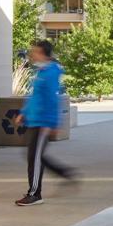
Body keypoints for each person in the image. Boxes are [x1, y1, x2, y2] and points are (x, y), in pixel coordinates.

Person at [12, 39, 75, 207]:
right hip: (34, 120)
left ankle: (35, 194)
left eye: (35, 51)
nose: (32, 54)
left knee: (35, 158)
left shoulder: (51, 73)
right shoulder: (41, 71)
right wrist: (23, 113)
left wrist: (53, 123)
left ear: (42, 53)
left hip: (43, 122)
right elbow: (35, 97)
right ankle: (62, 174)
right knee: (34, 156)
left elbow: (52, 100)